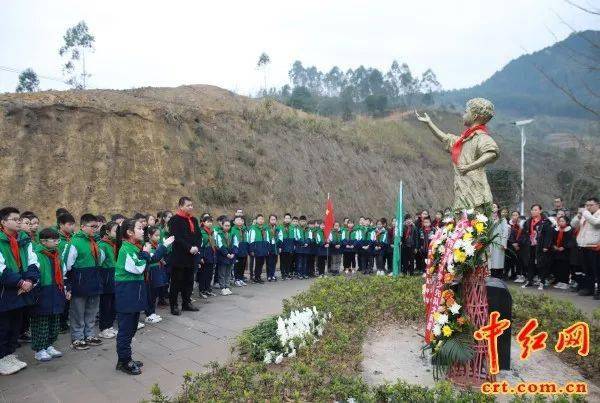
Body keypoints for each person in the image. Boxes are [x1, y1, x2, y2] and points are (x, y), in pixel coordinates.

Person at [416, 98, 499, 210]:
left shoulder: (481, 137)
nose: (463, 115)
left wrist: (469, 167)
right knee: (462, 218)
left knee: (476, 221)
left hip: (476, 189)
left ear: (474, 116)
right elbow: (446, 138)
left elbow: (491, 153)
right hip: (462, 188)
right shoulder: (463, 140)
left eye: (466, 112)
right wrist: (429, 123)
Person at [114, 219, 172, 375]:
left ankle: (126, 357)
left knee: (132, 327)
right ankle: (124, 361)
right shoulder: (125, 249)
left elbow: (151, 260)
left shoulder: (135, 247)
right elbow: (139, 267)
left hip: (135, 292)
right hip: (127, 293)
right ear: (129, 232)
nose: (143, 231)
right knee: (125, 330)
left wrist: (163, 245)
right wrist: (146, 253)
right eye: (139, 228)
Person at [0, 207, 40, 375]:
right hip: (5, 290)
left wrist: (30, 280)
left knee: (16, 323)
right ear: (3, 222)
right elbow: (1, 269)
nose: (18, 222)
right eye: (14, 219)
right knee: (3, 325)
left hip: (23, 288)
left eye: (19, 219)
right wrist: (19, 282)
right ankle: (1, 358)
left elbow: (33, 261)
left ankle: (9, 354)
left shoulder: (24, 239)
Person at [63, 214, 104, 350]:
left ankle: (90, 334)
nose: (95, 229)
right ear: (82, 226)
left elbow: (100, 259)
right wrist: (69, 283)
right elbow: (67, 264)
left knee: (92, 310)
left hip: (94, 280)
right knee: (78, 311)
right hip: (80, 282)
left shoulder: (95, 242)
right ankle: (77, 338)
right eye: (92, 226)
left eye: (96, 226)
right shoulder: (74, 242)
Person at [30, 228, 68, 362]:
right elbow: (34, 274)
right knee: (41, 322)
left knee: (54, 321)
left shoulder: (57, 254)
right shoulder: (37, 254)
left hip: (56, 291)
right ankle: (39, 349)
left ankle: (49, 345)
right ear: (43, 241)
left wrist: (65, 289)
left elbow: (63, 273)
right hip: (42, 292)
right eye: (54, 240)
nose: (57, 242)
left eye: (58, 239)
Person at [168, 197, 200, 315]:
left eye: (191, 205)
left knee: (189, 281)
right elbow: (176, 237)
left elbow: (198, 235)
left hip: (191, 256)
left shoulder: (194, 220)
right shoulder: (175, 220)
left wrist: (196, 246)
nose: (190, 207)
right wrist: (189, 247)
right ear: (181, 206)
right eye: (188, 205)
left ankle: (186, 303)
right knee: (176, 282)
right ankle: (174, 305)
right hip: (179, 257)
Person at [570, 197, 600, 299]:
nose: (588, 207)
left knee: (597, 269)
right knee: (587, 269)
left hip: (595, 246)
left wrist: (585, 213)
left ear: (597, 205)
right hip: (583, 245)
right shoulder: (585, 215)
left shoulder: (597, 214)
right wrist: (578, 216)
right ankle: (589, 288)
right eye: (587, 205)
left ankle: (599, 291)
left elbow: (596, 223)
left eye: (591, 205)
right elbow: (573, 225)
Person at [519, 204, 553, 290]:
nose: (534, 211)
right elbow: (523, 234)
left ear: (540, 211)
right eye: (532, 210)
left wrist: (546, 246)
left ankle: (542, 281)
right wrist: (525, 241)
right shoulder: (528, 221)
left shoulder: (545, 221)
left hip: (540, 246)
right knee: (530, 263)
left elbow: (548, 235)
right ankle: (529, 280)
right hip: (530, 246)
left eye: (536, 210)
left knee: (541, 264)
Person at [98, 222, 119, 339]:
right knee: (105, 304)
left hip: (115, 276)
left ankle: (110, 325)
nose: (118, 234)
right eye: (116, 231)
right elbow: (99, 262)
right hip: (107, 277)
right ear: (107, 231)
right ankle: (103, 328)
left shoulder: (115, 244)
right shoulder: (102, 245)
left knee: (113, 303)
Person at [144, 226, 169, 324]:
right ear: (149, 235)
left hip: (158, 269)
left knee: (155, 293)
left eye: (159, 235)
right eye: (156, 235)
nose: (158, 237)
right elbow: (153, 258)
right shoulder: (148, 246)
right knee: (150, 293)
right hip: (151, 271)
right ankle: (148, 314)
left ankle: (152, 312)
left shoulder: (157, 245)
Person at [551, 216, 575, 290]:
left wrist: (564, 247)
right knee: (558, 267)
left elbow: (571, 241)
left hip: (566, 252)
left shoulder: (570, 230)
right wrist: (553, 246)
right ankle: (559, 281)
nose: (561, 222)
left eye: (563, 221)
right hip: (557, 252)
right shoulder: (556, 230)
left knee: (565, 267)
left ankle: (565, 282)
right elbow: (552, 239)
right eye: (560, 221)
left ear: (567, 222)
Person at [215, 219, 237, 296]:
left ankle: (227, 286)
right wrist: (227, 254)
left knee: (228, 272)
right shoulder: (219, 234)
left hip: (231, 256)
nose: (227, 227)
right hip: (223, 256)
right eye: (226, 225)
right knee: (222, 272)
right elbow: (220, 245)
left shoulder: (232, 234)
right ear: (222, 225)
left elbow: (235, 244)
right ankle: (222, 288)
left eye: (228, 225)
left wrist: (233, 254)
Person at [198, 216, 217, 298]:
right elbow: (200, 246)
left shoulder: (212, 232)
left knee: (209, 274)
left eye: (211, 222)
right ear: (203, 222)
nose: (210, 223)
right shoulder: (202, 232)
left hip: (211, 254)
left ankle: (208, 289)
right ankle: (202, 291)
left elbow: (214, 244)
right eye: (208, 222)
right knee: (203, 274)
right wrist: (201, 257)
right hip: (205, 255)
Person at [489, 203, 509, 279]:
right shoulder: (488, 219)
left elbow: (505, 232)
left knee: (498, 261)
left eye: (494, 207)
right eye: (492, 207)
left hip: (498, 242)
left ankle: (498, 277)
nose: (493, 208)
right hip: (489, 243)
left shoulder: (502, 219)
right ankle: (491, 276)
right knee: (490, 261)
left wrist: (504, 243)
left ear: (498, 209)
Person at [248, 214, 270, 283]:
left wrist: (267, 249)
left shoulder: (265, 229)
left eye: (262, 219)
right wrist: (251, 250)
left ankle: (259, 276)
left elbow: (267, 239)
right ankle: (255, 277)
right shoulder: (253, 229)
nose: (261, 220)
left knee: (261, 263)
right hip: (256, 249)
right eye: (259, 219)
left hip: (263, 249)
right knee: (256, 264)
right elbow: (251, 240)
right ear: (256, 220)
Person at [230, 216, 249, 287]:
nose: (239, 221)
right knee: (237, 265)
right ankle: (236, 279)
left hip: (244, 248)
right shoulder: (232, 229)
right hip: (237, 250)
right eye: (237, 220)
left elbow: (248, 240)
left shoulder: (245, 229)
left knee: (243, 265)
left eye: (240, 220)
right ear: (234, 222)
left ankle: (241, 278)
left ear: (243, 221)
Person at [507, 211, 525, 282]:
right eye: (513, 215)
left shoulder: (524, 229)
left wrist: (519, 244)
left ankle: (522, 275)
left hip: (521, 247)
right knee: (515, 261)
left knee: (521, 262)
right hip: (514, 247)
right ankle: (517, 275)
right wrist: (514, 243)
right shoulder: (514, 228)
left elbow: (524, 238)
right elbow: (511, 237)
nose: (518, 223)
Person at [277, 213, 295, 280]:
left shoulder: (292, 227)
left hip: (290, 247)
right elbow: (279, 238)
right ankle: (283, 274)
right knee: (283, 261)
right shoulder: (280, 227)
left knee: (289, 261)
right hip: (283, 247)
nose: (287, 219)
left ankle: (287, 274)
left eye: (288, 218)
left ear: (290, 219)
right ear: (284, 219)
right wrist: (279, 247)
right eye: (286, 218)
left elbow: (294, 238)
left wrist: (293, 246)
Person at [266, 215, 279, 281]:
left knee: (274, 261)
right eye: (272, 219)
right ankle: (269, 275)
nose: (273, 221)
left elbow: (280, 237)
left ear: (276, 220)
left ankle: (273, 274)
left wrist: (279, 246)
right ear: (269, 220)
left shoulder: (278, 228)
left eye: (274, 219)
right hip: (269, 246)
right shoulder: (266, 228)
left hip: (276, 247)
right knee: (269, 262)